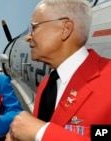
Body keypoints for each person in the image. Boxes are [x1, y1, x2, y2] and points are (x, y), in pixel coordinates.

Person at [6, 0, 111, 141]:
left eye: (34, 27)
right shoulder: (46, 85)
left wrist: (42, 133)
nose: (28, 36)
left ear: (65, 29)